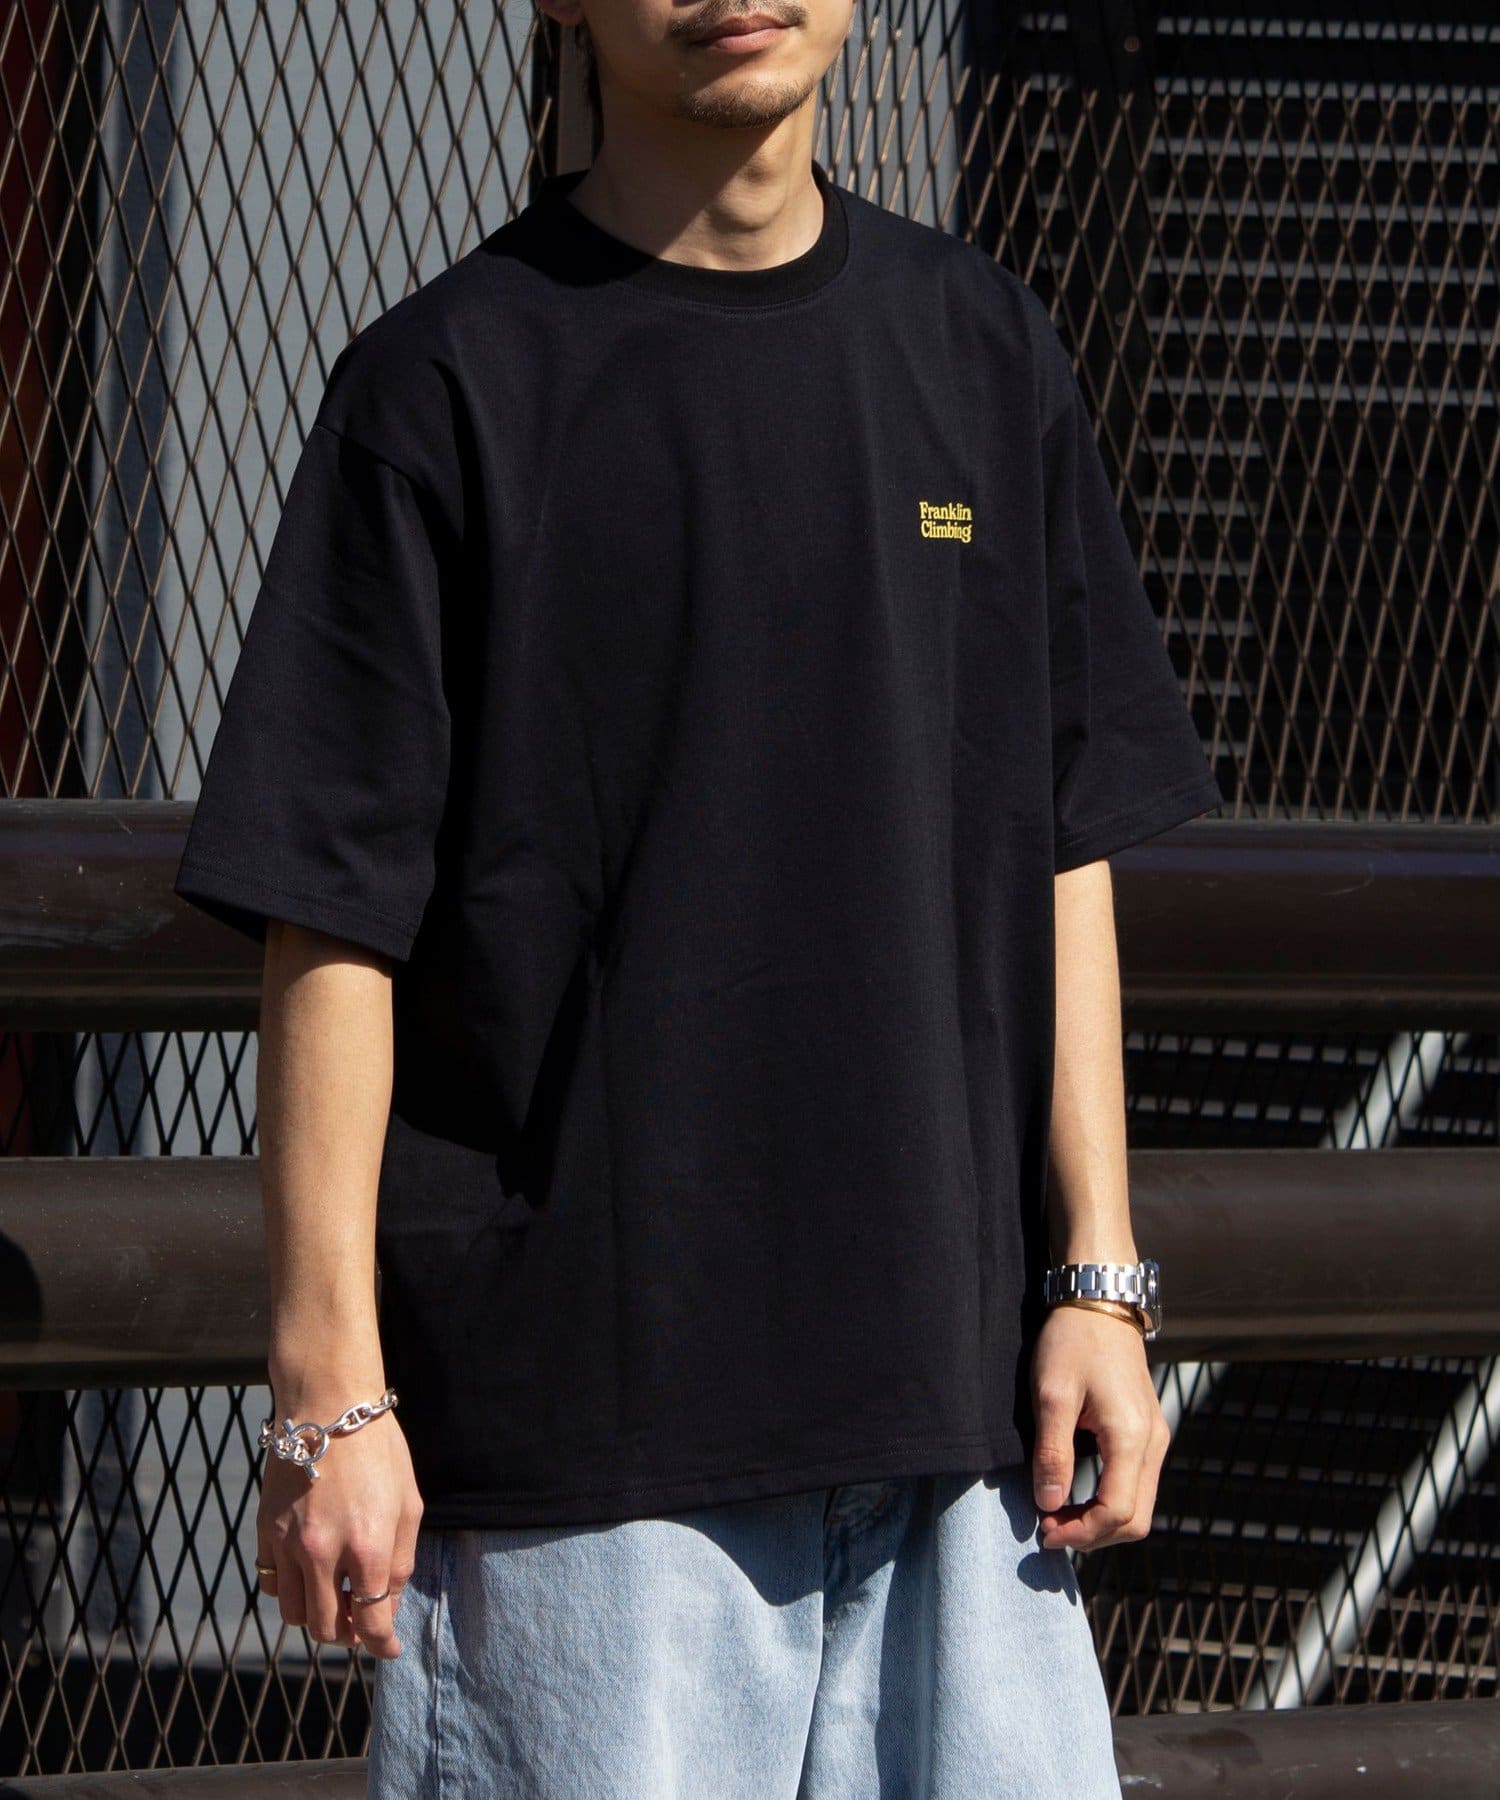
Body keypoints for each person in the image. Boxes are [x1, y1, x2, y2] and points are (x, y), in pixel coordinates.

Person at [173, 0, 1223, 1792]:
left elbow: (1064, 844)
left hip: (964, 1431)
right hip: (590, 1469)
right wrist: (327, 1396)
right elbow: (332, 919)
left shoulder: (985, 350)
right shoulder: (441, 386)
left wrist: (1100, 1281)